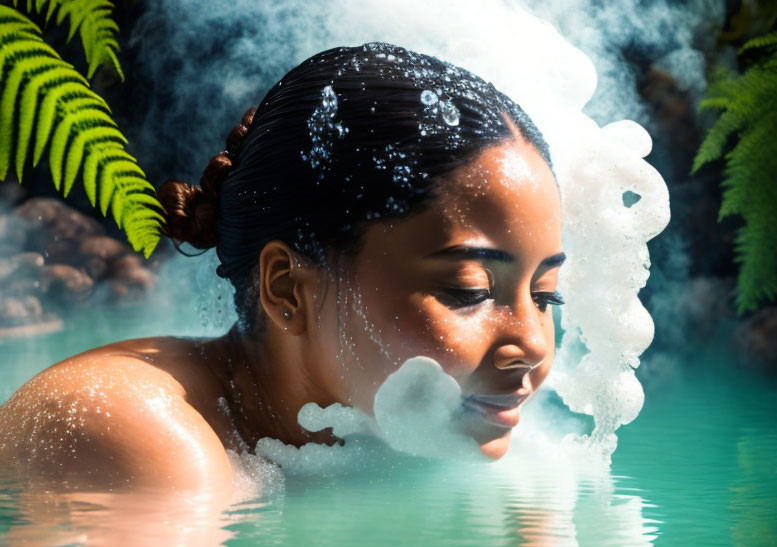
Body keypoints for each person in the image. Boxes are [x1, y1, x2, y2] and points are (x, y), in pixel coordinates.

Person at [0, 42, 565, 489]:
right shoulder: (131, 432)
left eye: (546, 297)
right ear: (288, 288)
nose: (534, 343)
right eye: (468, 289)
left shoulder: (396, 442)